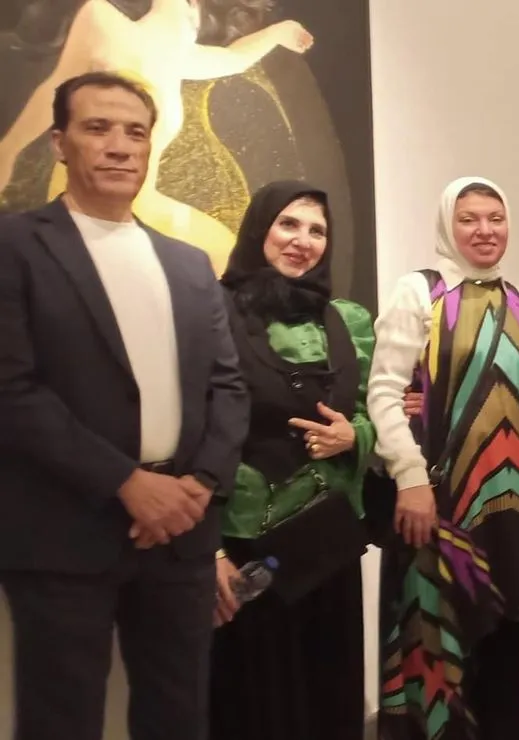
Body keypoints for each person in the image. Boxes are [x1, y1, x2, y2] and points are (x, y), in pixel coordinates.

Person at [0, 71, 249, 740]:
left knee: (179, 717)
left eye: (135, 132)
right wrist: (127, 482)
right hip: (62, 531)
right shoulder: (14, 246)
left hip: (181, 534)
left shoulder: (190, 264)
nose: (119, 146)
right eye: (97, 128)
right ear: (60, 143)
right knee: (61, 722)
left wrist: (199, 485)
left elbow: (228, 387)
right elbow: (12, 390)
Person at [367, 176, 519, 740]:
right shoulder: (420, 292)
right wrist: (411, 478)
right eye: (469, 219)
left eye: (495, 218)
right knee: (442, 637)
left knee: (512, 638)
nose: (485, 230)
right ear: (447, 225)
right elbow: (383, 392)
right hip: (441, 506)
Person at [206, 180, 375, 740]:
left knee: (329, 699)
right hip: (247, 547)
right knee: (254, 705)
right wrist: (208, 550)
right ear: (260, 228)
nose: (303, 241)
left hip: (327, 543)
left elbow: (376, 410)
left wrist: (355, 436)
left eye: (317, 230)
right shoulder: (214, 310)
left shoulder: (346, 320)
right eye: (289, 224)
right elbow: (192, 431)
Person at [0, 0, 316, 268]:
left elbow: (236, 58)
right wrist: (9, 150)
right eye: (190, 6)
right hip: (92, 205)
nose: (196, 17)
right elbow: (52, 90)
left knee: (233, 259)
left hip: (142, 208)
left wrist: (280, 32)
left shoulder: (181, 57)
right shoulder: (103, 21)